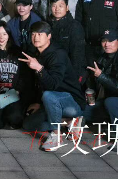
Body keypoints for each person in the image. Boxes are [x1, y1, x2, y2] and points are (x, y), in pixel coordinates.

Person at [20, 22, 85, 152]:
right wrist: (39, 103)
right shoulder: (37, 53)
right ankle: (69, 122)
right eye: (33, 34)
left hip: (71, 102)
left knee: (48, 95)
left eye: (40, 34)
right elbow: (39, 84)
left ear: (49, 36)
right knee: (28, 125)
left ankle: (56, 135)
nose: (36, 38)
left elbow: (53, 84)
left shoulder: (58, 54)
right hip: (52, 102)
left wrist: (39, 68)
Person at [0, 22, 33, 131]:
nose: (1, 37)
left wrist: (17, 90)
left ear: (9, 35)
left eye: (4, 34)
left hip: (13, 95)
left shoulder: (17, 52)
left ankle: (8, 112)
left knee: (15, 120)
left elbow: (24, 76)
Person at [49, 0, 87, 84]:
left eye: (60, 6)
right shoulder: (47, 25)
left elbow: (78, 54)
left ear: (67, 8)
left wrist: (74, 75)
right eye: (54, 6)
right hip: (53, 69)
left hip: (69, 70)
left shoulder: (74, 26)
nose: (57, 9)